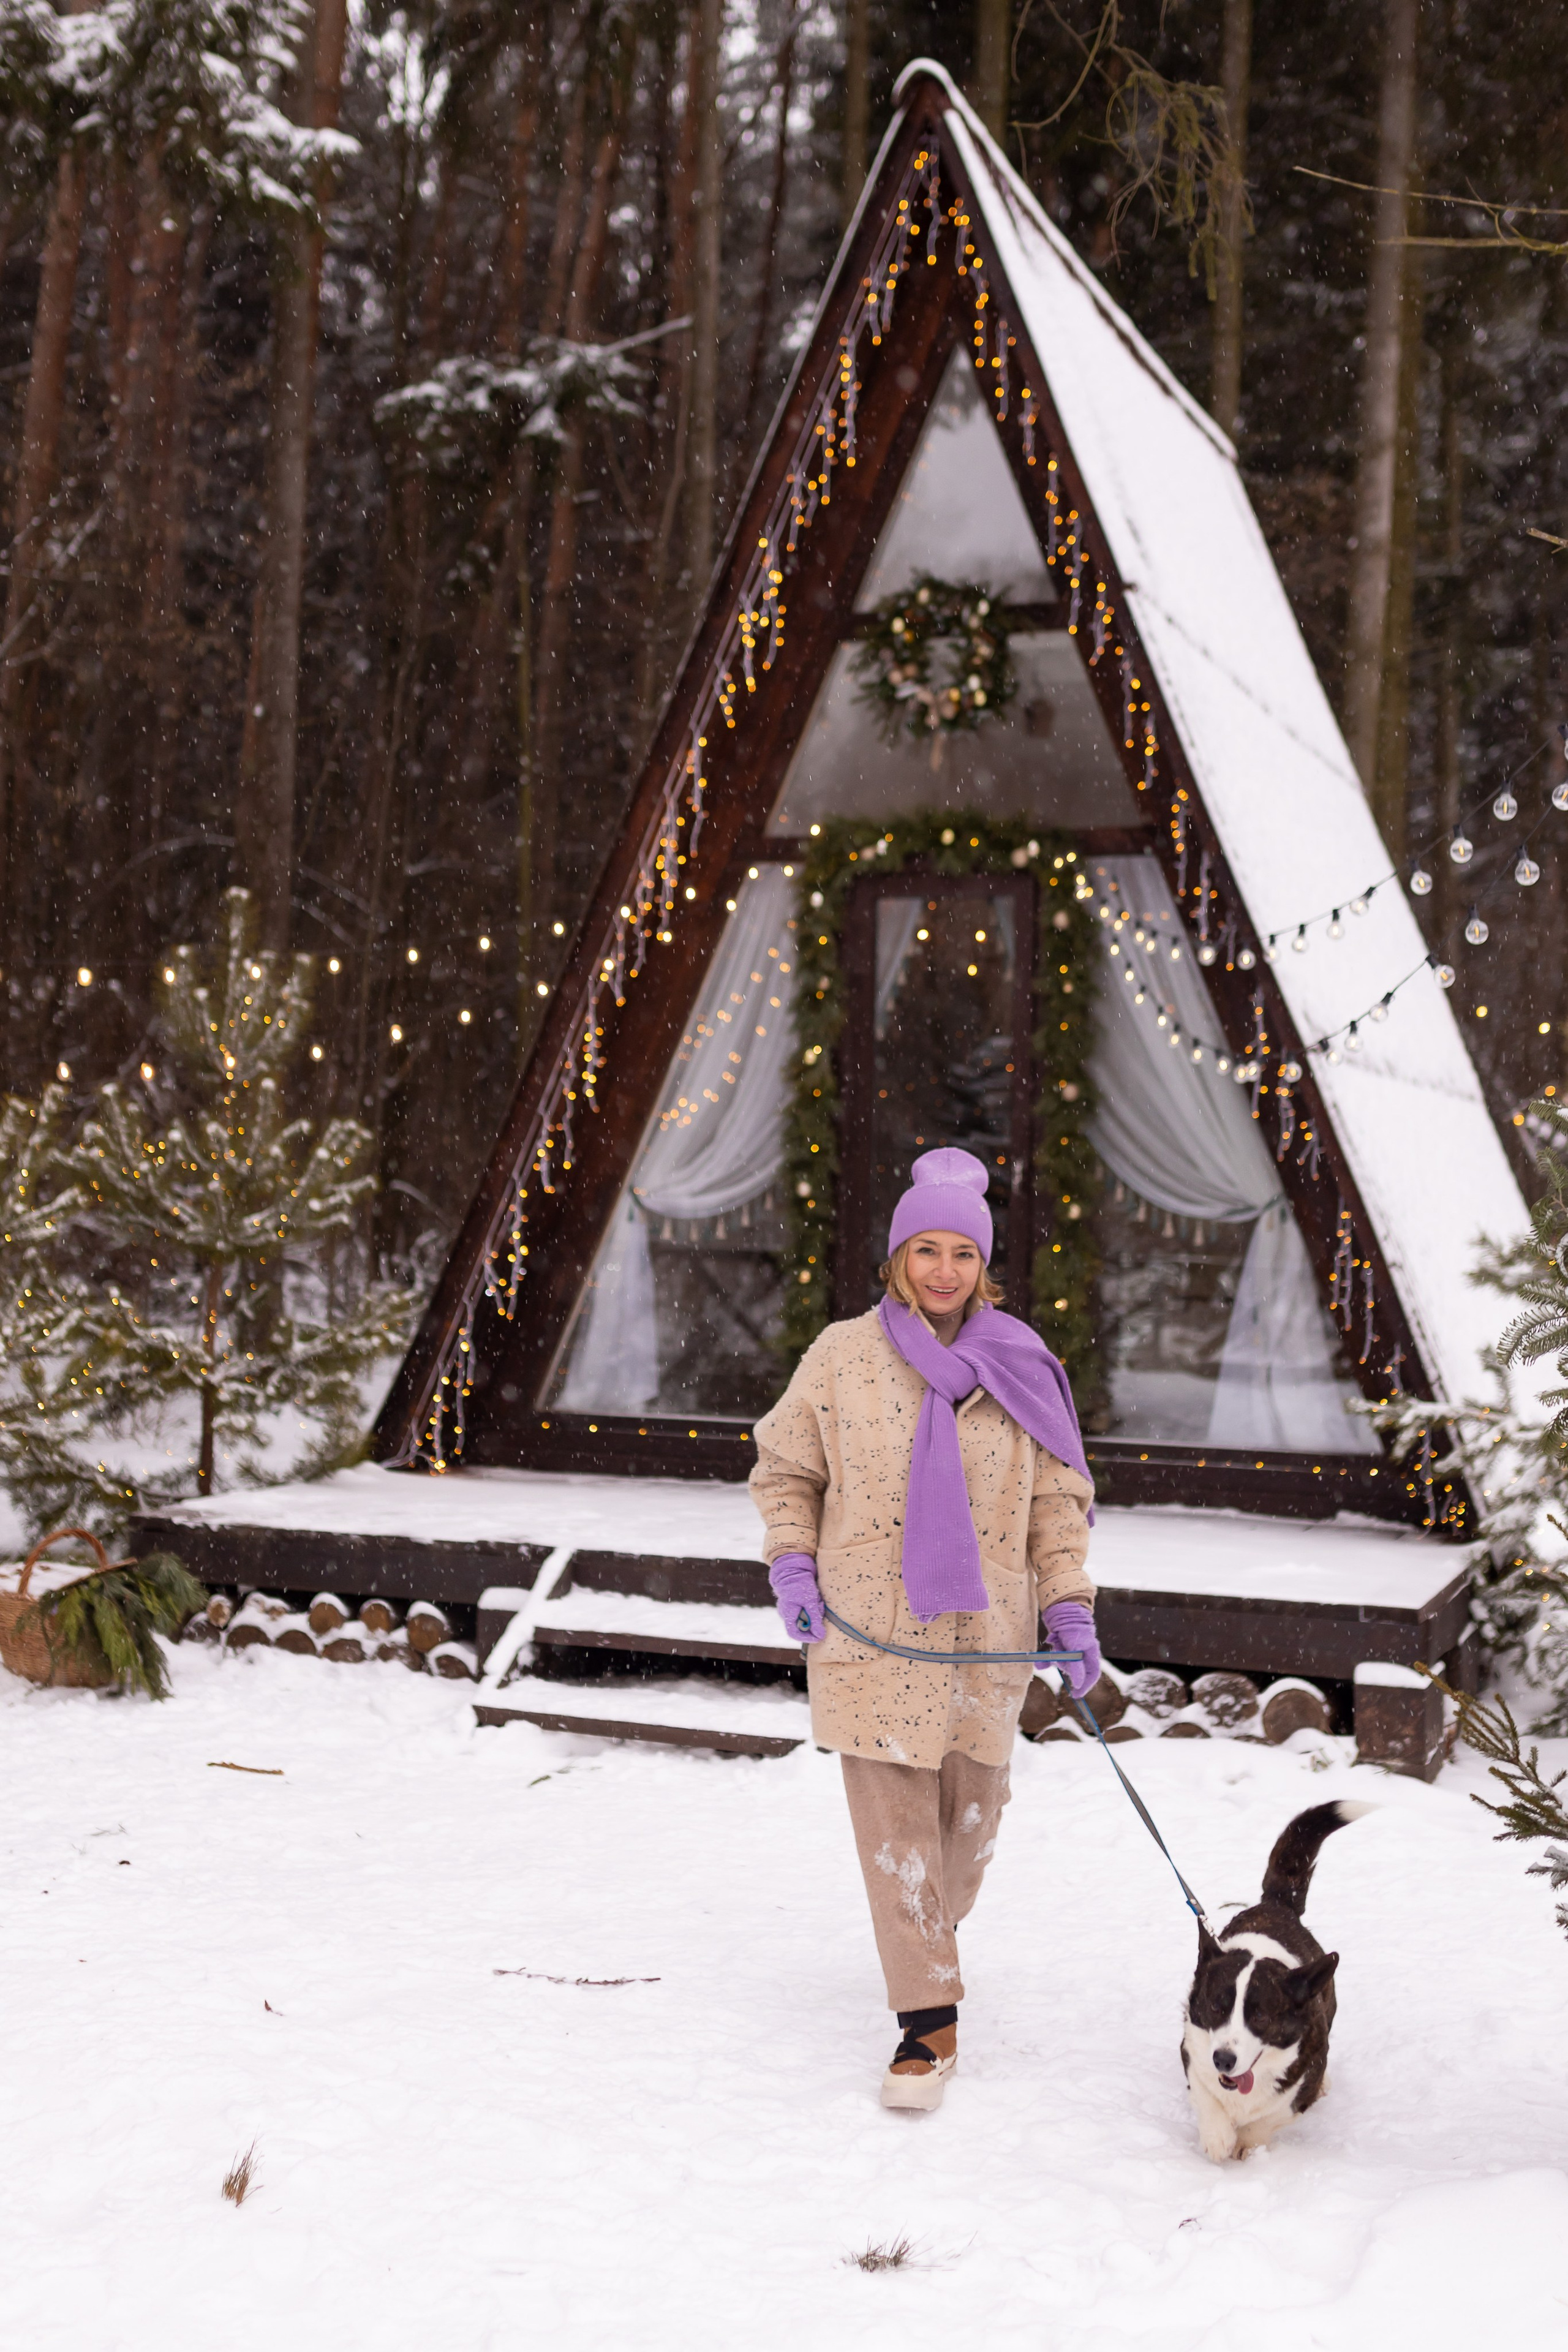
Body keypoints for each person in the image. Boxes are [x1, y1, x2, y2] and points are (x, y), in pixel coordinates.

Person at [750, 1146, 1099, 2111]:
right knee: (896, 1836)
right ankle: (925, 2025)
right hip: (871, 1631)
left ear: (984, 1265)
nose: (944, 1270)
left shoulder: (1023, 1365)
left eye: (962, 1253)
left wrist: (1069, 1605)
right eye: (926, 1250)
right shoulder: (842, 1358)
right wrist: (793, 1564)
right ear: (898, 1257)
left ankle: (929, 1937)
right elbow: (787, 1472)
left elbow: (1057, 1506)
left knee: (965, 1836)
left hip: (988, 1639)